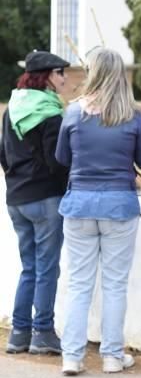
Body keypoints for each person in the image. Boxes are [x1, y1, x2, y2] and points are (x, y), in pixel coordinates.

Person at [56, 47, 141, 375]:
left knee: (79, 283)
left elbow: (62, 158)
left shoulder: (73, 113)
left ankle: (72, 357)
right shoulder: (134, 114)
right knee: (114, 284)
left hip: (79, 205)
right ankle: (112, 356)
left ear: (92, 72)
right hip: (119, 205)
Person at [1, 50, 71, 355]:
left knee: (29, 267)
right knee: (46, 269)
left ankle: (18, 334)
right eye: (61, 73)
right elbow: (56, 162)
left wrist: (18, 179)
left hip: (16, 198)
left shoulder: (12, 109)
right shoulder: (51, 113)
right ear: (47, 77)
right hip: (45, 199)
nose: (65, 78)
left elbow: (3, 154)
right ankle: (42, 331)